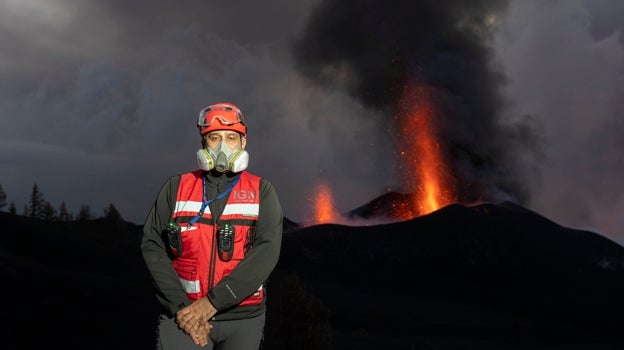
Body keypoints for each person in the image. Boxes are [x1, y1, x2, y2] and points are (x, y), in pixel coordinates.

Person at [141, 102, 283, 349]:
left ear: (243, 142)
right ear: (203, 143)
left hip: (243, 319)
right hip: (183, 316)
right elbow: (152, 244)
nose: (223, 146)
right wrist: (182, 308)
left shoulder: (262, 191)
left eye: (231, 137)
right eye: (214, 138)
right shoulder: (176, 187)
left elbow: (266, 253)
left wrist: (211, 304)